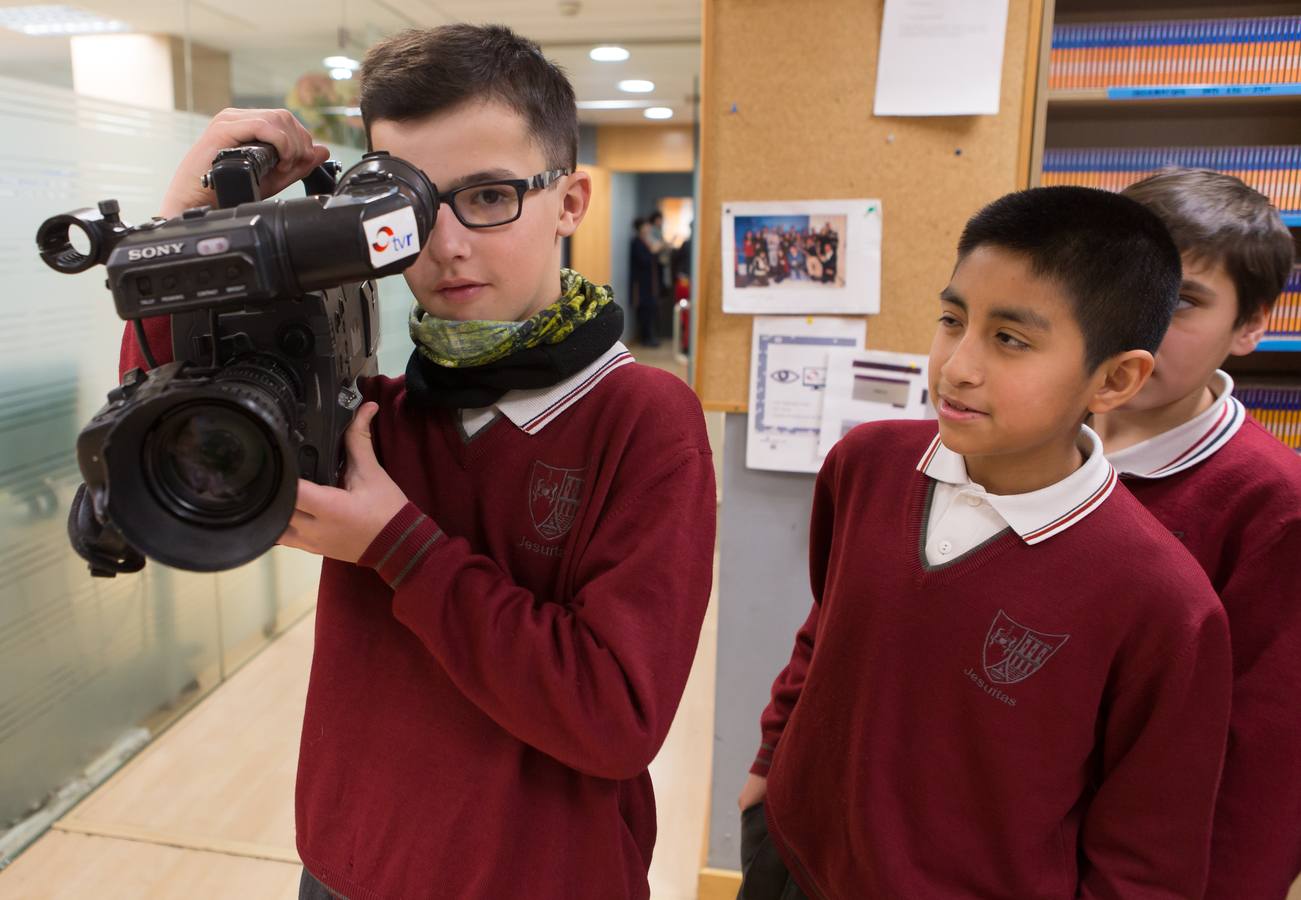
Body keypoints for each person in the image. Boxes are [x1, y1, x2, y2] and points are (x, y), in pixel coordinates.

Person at [119, 25, 716, 900]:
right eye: (409, 205)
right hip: (346, 868)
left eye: (487, 196)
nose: (444, 244)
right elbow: (159, 428)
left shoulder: (643, 419)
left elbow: (615, 717)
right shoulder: (371, 412)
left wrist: (398, 548)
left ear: (571, 201)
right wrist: (188, 213)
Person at [736, 186, 1231, 898]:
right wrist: (767, 772)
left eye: (1009, 339)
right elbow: (825, 629)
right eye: (951, 319)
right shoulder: (866, 464)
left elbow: (1149, 857)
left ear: (1114, 378)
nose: (956, 366)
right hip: (794, 861)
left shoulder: (1162, 602)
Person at [1093, 168, 1301, 899]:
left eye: (1182, 300)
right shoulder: (1026, 435)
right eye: (1123, 279)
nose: (1139, 319)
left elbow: (1264, 760)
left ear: (1249, 326)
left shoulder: (1273, 503)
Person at [630, 216, 660, 346]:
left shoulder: (646, 241)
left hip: (650, 282)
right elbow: (643, 260)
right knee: (644, 310)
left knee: (651, 309)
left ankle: (650, 337)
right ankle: (645, 338)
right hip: (642, 283)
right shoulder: (637, 242)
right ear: (640, 228)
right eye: (646, 225)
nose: (648, 227)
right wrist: (653, 251)